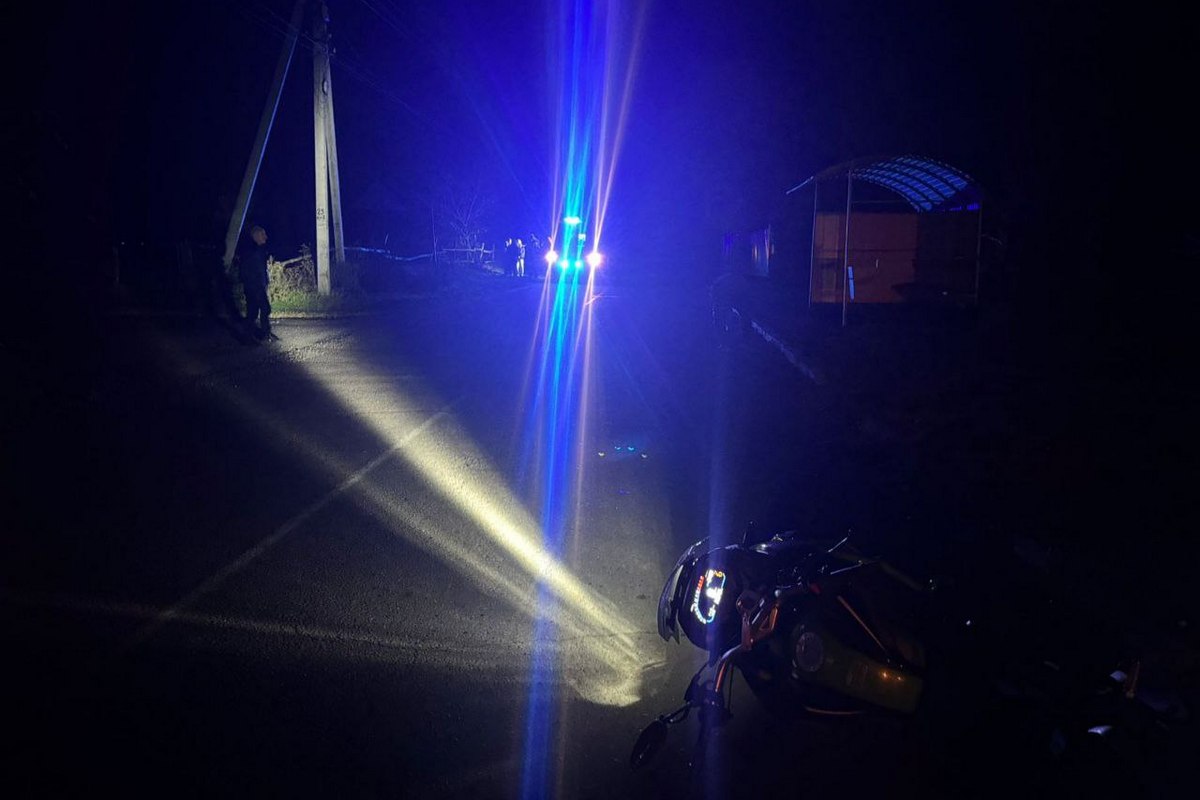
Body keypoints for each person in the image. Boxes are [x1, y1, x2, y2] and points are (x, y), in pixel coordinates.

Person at [239, 224, 272, 341]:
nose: (265, 237)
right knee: (264, 308)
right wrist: (257, 284)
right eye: (263, 235)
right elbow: (250, 270)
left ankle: (249, 334)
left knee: (253, 311)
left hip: (255, 285)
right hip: (254, 286)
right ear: (256, 236)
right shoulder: (252, 251)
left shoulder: (256, 250)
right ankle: (263, 333)